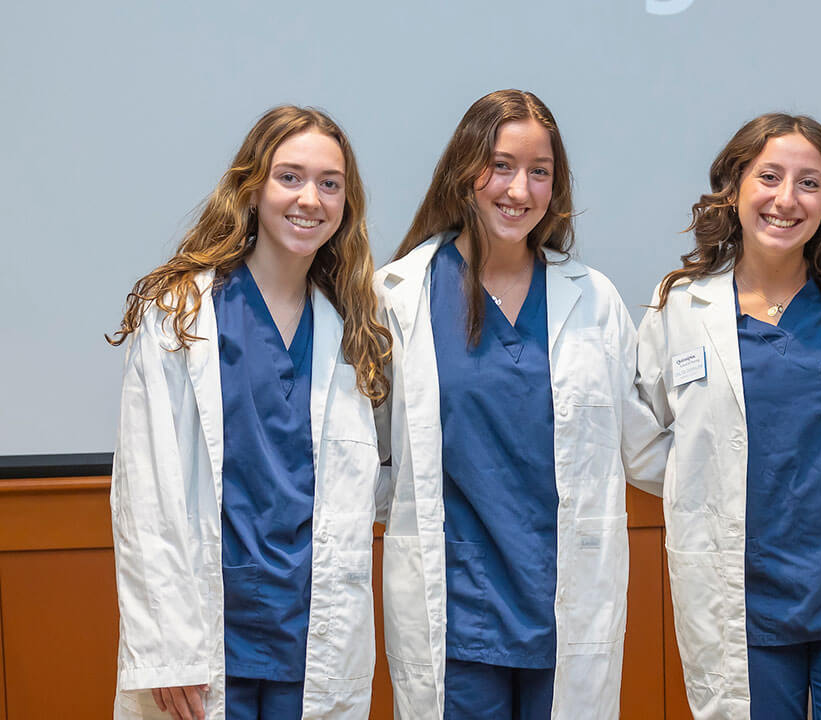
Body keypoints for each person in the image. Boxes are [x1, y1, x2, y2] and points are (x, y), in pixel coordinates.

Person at [374, 89, 666, 720]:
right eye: (500, 166)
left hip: (563, 610)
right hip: (456, 615)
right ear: (464, 171)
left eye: (540, 172)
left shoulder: (592, 299)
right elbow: (365, 455)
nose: (519, 189)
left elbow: (641, 444)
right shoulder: (400, 297)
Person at [108, 105, 391, 720]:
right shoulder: (181, 315)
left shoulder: (351, 330)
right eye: (290, 176)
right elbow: (147, 491)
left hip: (311, 638)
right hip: (210, 641)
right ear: (253, 186)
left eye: (329, 183)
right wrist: (167, 650)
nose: (309, 198)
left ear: (346, 201)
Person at [633, 113, 821, 720]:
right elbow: (641, 437)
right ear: (733, 190)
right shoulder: (681, 306)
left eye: (809, 183)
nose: (787, 199)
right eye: (769, 176)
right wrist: (707, 482)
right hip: (743, 596)